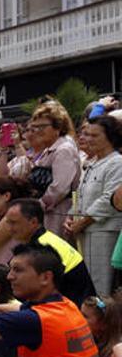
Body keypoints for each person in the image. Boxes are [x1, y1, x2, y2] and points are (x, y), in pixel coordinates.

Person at [66, 116, 122, 296]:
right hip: (83, 232)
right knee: (87, 282)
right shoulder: (91, 163)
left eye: (94, 135)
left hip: (104, 231)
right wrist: (70, 217)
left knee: (101, 285)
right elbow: (80, 196)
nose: (87, 139)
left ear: (110, 137)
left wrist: (82, 222)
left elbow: (109, 200)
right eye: (86, 134)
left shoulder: (117, 162)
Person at [6, 198, 95, 305]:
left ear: (33, 222)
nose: (9, 228)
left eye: (14, 223)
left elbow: (33, 288)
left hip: (72, 308)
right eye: (8, 223)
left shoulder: (42, 247)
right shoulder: (45, 238)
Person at [12, 101, 81, 236]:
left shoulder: (64, 149)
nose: (37, 131)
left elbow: (60, 188)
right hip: (48, 213)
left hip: (59, 213)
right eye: (35, 127)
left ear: (58, 127)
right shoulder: (49, 148)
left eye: (42, 127)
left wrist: (38, 207)